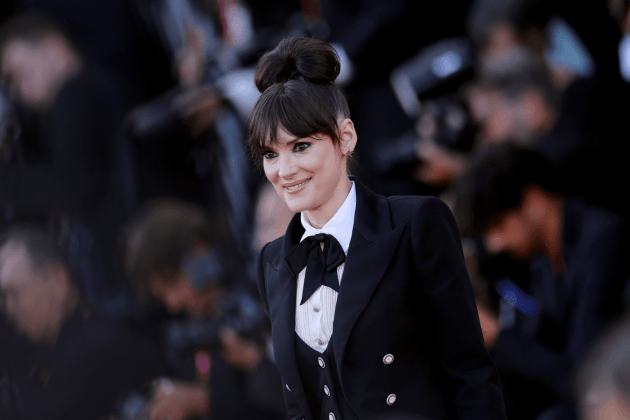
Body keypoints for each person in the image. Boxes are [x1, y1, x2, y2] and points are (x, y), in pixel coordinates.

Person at [249, 37, 506, 420]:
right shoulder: (273, 262)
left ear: (345, 137)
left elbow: (469, 373)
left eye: (300, 146)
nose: (284, 171)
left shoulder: (416, 224)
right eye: (271, 154)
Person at [451, 144, 630, 420]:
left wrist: (496, 335)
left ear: (534, 202)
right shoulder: (541, 261)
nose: (494, 245)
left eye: (499, 226)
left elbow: (584, 377)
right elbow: (537, 347)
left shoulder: (602, 241)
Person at [123, 198, 286, 420]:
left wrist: (204, 401)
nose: (173, 302)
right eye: (163, 296)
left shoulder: (264, 290)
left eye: (172, 281)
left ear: (197, 250)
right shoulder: (201, 329)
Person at [0, 225, 166, 420]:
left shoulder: (100, 347)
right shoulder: (49, 350)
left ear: (57, 282)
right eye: (3, 298)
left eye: (12, 293)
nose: (8, 308)